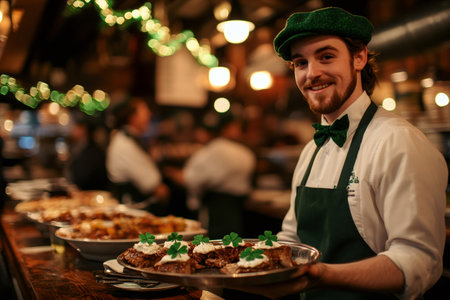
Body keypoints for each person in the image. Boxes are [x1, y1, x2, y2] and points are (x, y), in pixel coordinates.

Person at [235, 7, 448, 300]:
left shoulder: (399, 142)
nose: (312, 73)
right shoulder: (311, 149)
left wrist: (323, 275)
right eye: (300, 62)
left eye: (326, 56)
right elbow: (291, 239)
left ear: (359, 57)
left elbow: (418, 261)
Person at [177, 113, 257, 239]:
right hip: (239, 208)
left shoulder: (215, 149)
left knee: (215, 245)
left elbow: (191, 179)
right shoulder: (247, 152)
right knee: (235, 244)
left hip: (217, 207)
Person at [106, 97, 169, 213]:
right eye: (144, 111)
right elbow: (155, 187)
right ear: (132, 117)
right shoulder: (125, 144)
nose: (149, 114)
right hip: (135, 212)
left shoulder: (127, 139)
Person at [67, 113, 110, 191]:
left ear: (83, 129)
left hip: (93, 195)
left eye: (75, 126)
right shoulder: (82, 147)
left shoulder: (92, 152)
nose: (71, 129)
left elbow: (82, 179)